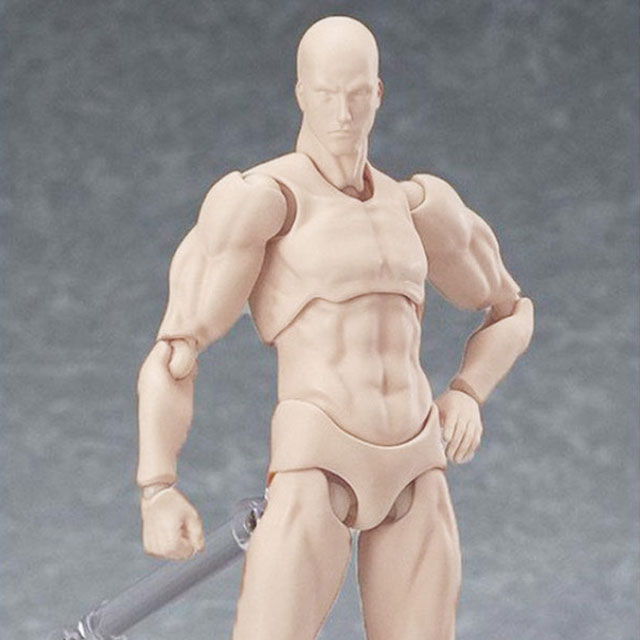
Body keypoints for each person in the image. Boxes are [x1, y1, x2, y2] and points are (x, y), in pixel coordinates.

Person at [136, 16, 534, 640]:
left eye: (356, 94)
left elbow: (511, 310)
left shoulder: (418, 206)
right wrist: (157, 488)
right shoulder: (263, 201)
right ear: (301, 93)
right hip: (318, 459)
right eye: (326, 94)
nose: (343, 113)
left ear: (378, 93)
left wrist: (467, 392)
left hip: (416, 460)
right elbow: (175, 352)